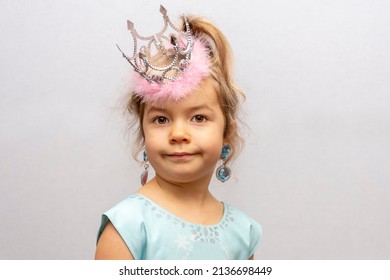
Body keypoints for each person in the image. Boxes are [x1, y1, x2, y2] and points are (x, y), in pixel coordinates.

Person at [95, 5, 262, 260]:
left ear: (227, 133)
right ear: (143, 132)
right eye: (161, 119)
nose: (178, 133)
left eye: (198, 118)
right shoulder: (129, 226)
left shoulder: (243, 232)